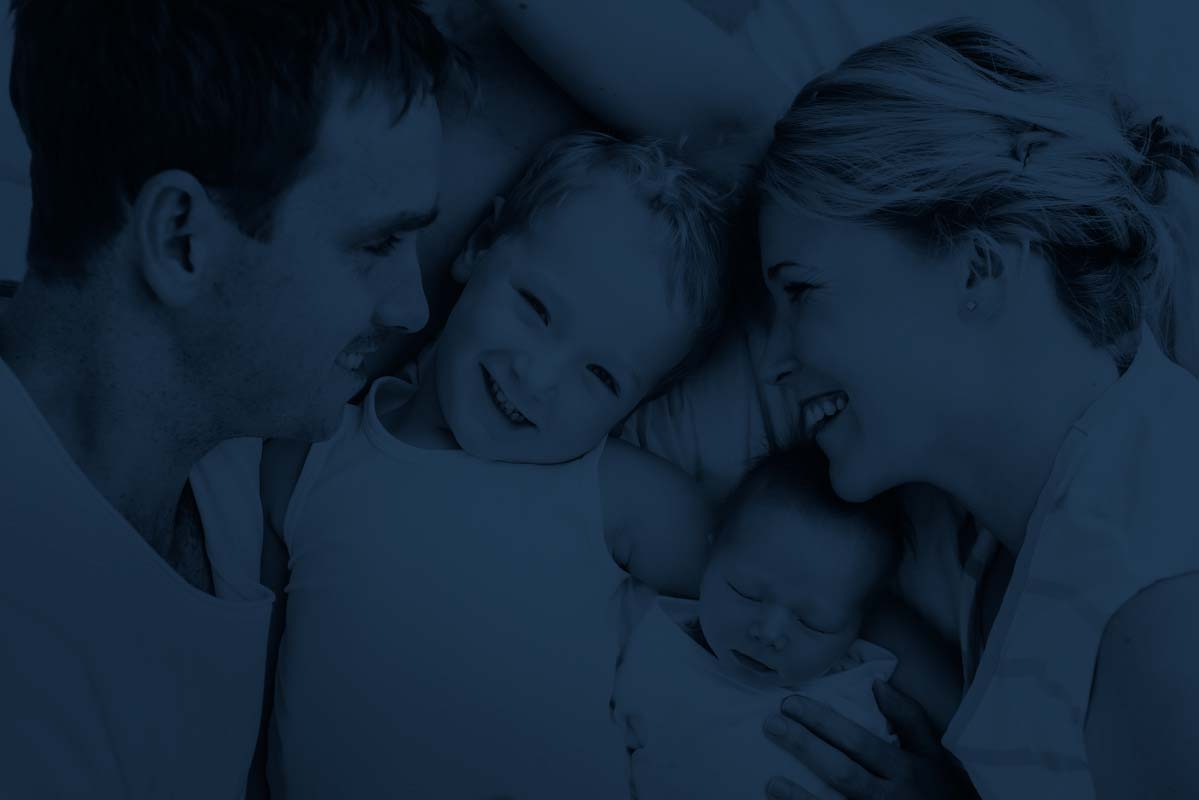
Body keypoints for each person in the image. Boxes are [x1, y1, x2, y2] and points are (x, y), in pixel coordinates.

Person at [481, 4, 1199, 798]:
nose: (775, 362)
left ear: (979, 268)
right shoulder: (1021, 543)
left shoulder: (1151, 601)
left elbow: (732, 123)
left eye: (800, 291)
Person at [0, 2, 454, 797]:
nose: (413, 308)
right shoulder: (29, 705)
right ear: (182, 240)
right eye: (377, 244)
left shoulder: (227, 399)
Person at [263, 132, 725, 798]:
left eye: (600, 376)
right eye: (535, 308)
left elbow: (788, 600)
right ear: (480, 243)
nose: (537, 379)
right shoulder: (309, 453)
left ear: (638, 403)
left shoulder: (623, 498)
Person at [611, 445, 905, 799]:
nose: (768, 633)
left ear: (858, 629)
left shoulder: (857, 688)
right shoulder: (651, 642)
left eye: (815, 623)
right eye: (746, 592)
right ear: (710, 557)